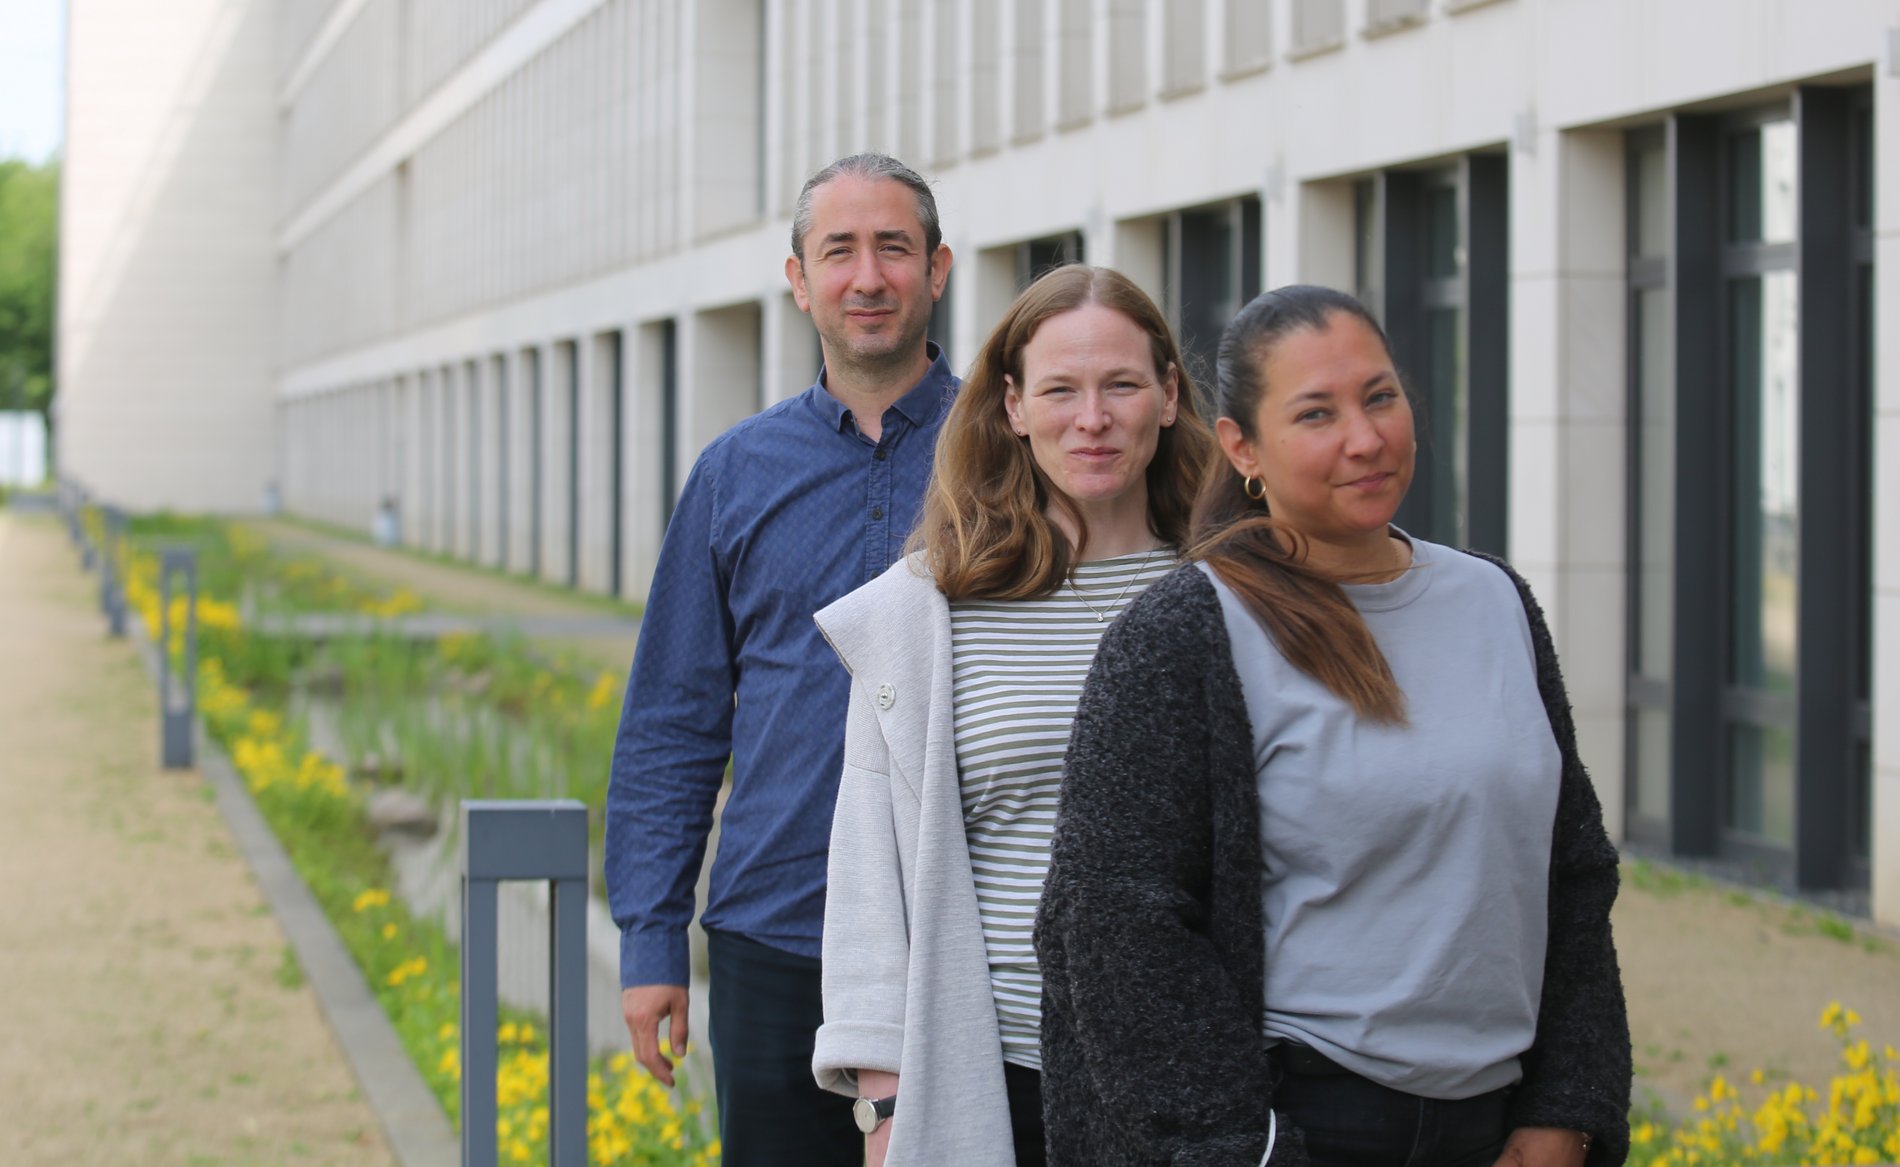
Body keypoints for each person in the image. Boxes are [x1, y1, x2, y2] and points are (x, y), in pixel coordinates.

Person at [1036, 285, 1632, 1167]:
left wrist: (1566, 1110)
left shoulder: (1495, 601)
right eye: (1316, 413)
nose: (1366, 438)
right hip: (1305, 1123)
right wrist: (1243, 1149)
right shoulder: (1186, 634)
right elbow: (1115, 928)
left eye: (1380, 396)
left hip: (1500, 1125)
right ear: (1242, 446)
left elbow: (1572, 874)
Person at [809, 265, 1214, 1167]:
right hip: (994, 1081)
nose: (1093, 417)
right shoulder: (924, 615)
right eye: (1060, 389)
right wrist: (884, 1114)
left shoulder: (1233, 600)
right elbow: (870, 883)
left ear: (1170, 396)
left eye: (1122, 385)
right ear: (1014, 407)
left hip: (1200, 1086)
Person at [605, 153, 954, 1167]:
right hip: (772, 936)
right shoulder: (734, 474)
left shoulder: (1008, 457)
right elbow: (674, 717)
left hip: (955, 935)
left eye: (893, 247)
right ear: (798, 280)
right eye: (837, 251)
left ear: (936, 269)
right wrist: (650, 937)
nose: (867, 276)